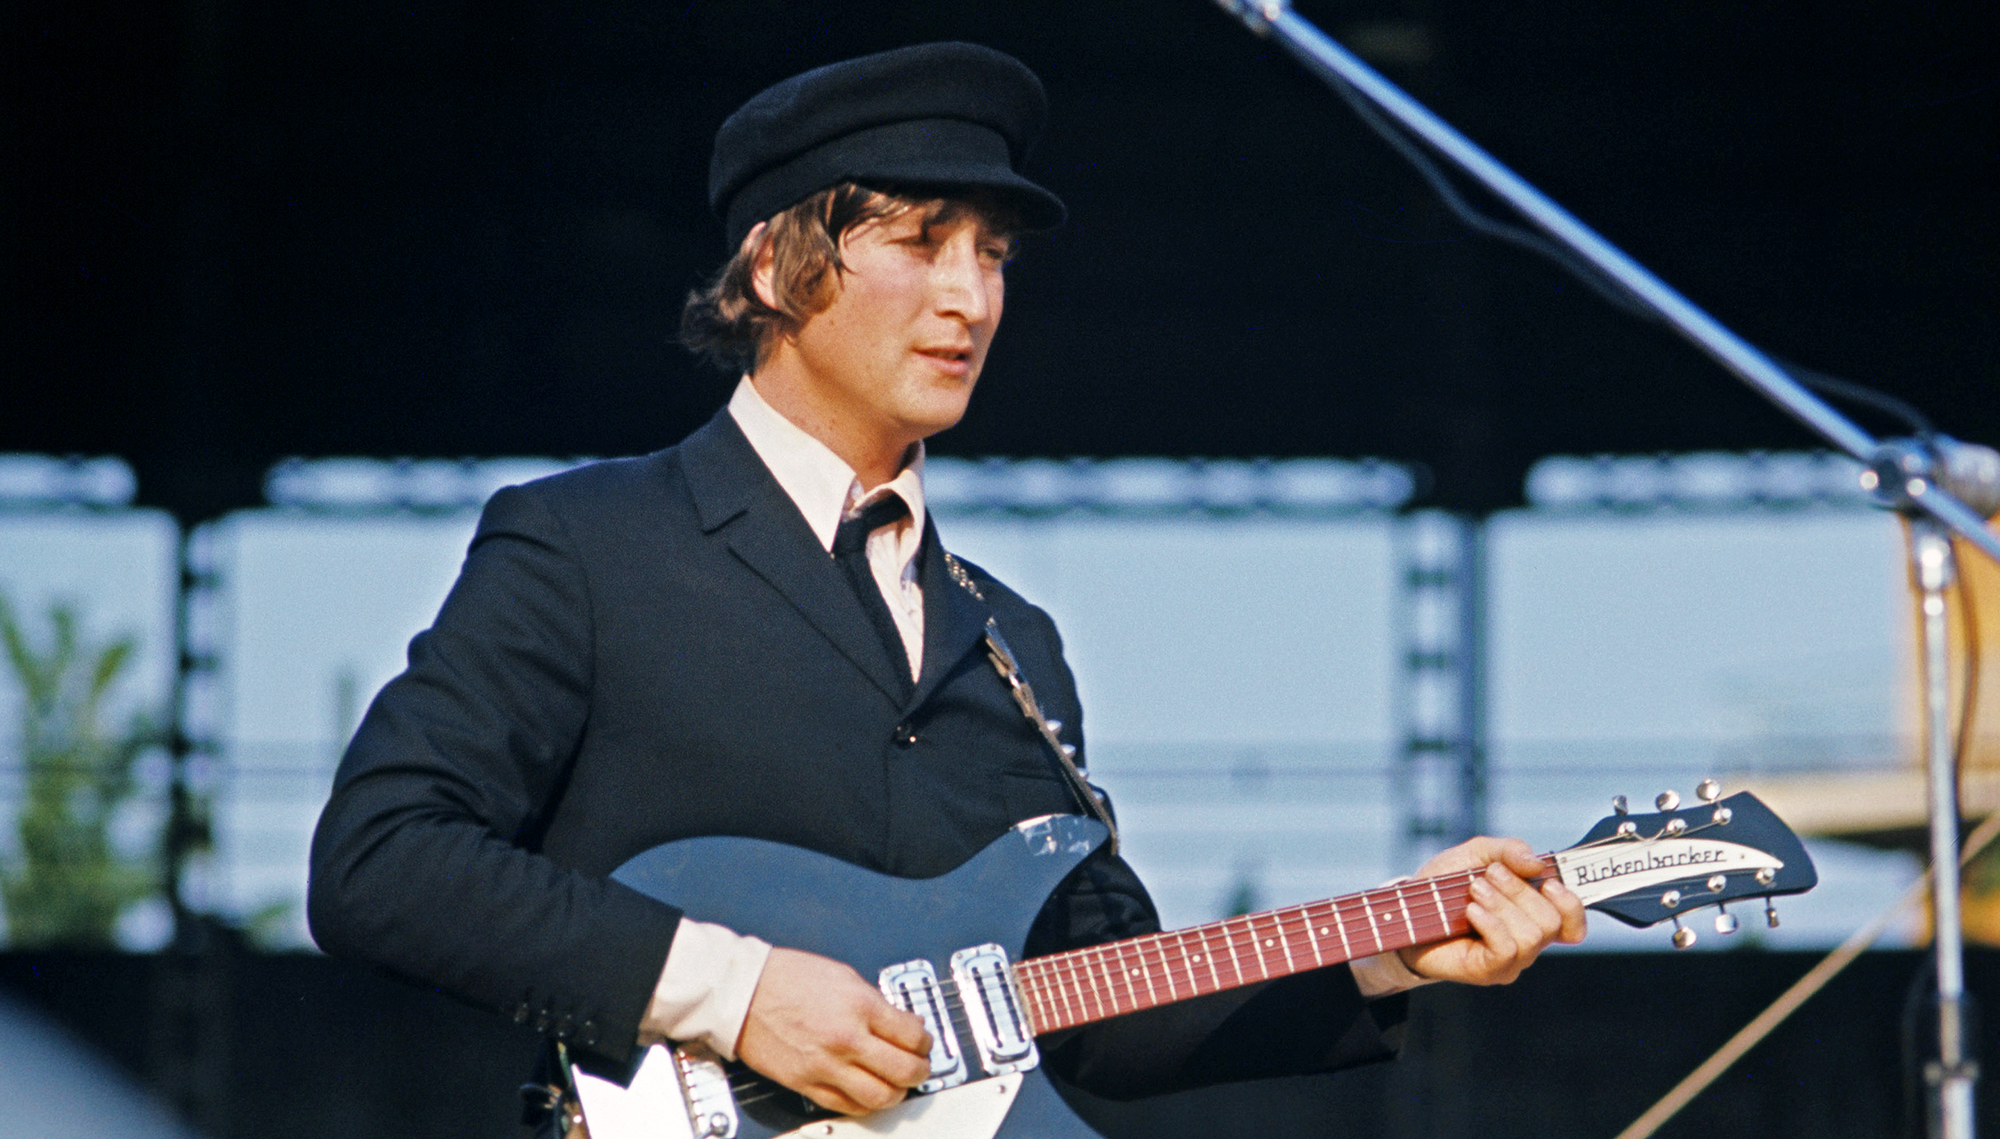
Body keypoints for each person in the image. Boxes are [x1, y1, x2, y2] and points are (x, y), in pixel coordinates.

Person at [307, 41, 1585, 1130]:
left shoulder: (1011, 641)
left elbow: (1097, 1010)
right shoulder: (586, 543)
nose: (969, 296)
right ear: (772, 265)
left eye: (993, 254)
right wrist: (732, 992)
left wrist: (1380, 951)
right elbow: (379, 859)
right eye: (920, 243)